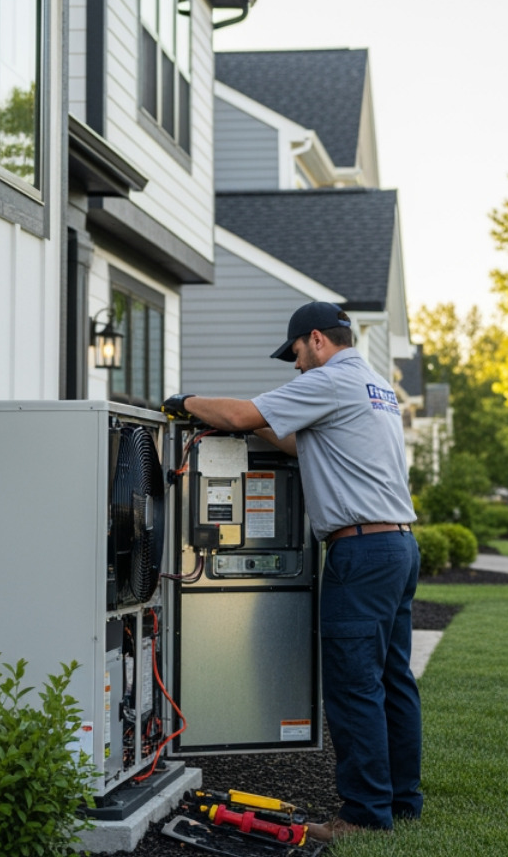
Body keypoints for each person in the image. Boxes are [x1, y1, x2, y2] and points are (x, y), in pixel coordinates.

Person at [162, 301, 421, 841]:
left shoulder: (332, 380)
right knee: (394, 680)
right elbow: (302, 444)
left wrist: (185, 402)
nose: (297, 366)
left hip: (362, 553)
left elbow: (240, 415)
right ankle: (402, 803)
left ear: (317, 340)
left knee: (354, 686)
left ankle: (365, 816)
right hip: (397, 546)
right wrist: (257, 431)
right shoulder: (373, 386)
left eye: (297, 354)